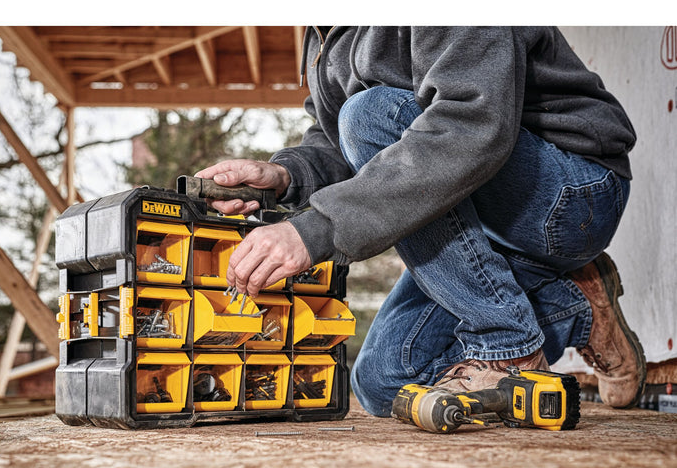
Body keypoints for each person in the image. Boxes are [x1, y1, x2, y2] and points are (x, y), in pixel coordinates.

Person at [195, 26, 646, 416]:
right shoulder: (324, 32)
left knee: (369, 115)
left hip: (571, 193)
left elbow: (469, 126)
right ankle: (578, 307)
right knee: (384, 381)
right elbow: (340, 144)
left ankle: (506, 350)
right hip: (478, 210)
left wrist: (316, 230)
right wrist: (286, 174)